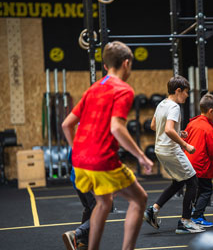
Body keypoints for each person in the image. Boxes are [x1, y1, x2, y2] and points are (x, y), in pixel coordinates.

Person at [61, 41, 153, 250]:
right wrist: (141, 156)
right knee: (140, 199)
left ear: (105, 66)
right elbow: (117, 128)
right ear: (127, 64)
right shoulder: (123, 90)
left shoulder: (93, 89)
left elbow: (67, 125)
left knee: (103, 203)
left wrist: (77, 151)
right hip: (101, 159)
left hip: (79, 160)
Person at [143, 75, 205, 234]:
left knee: (178, 182)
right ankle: (185, 221)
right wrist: (185, 144)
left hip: (160, 150)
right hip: (171, 150)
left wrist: (178, 132)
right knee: (192, 181)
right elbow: (168, 130)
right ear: (178, 91)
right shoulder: (175, 107)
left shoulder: (161, 104)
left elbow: (153, 126)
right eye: (186, 92)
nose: (187, 95)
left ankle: (153, 210)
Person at [183, 93, 213, 227]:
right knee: (206, 190)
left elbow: (184, 140)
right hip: (201, 165)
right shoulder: (207, 128)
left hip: (189, 163)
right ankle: (197, 216)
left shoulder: (191, 123)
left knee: (197, 190)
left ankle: (195, 214)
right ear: (211, 111)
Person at [62, 149, 96, 250]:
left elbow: (70, 159)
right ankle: (75, 234)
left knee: (88, 209)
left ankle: (83, 241)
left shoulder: (79, 136)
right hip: (90, 179)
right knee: (100, 212)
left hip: (76, 178)